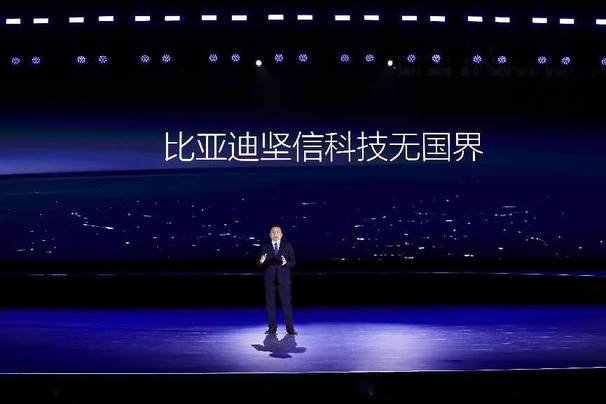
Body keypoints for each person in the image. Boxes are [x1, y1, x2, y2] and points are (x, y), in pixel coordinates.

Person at [256, 225, 297, 335]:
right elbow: (258, 264)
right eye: (273, 232)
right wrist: (261, 261)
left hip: (284, 280)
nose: (275, 234)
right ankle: (272, 329)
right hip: (269, 280)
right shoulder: (265, 247)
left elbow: (293, 261)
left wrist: (286, 263)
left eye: (278, 232)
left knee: (286, 305)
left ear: (281, 234)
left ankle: (290, 330)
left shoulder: (288, 246)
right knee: (270, 305)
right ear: (270, 235)